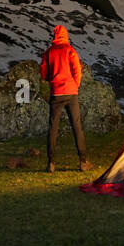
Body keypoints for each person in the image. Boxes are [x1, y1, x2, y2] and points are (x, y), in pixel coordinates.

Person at [39, 24, 91, 173]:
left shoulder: (49, 52)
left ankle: (51, 163)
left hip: (56, 93)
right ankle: (83, 161)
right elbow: (77, 70)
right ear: (66, 35)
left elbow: (43, 73)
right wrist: (75, 85)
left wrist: (52, 80)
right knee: (77, 126)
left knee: (52, 127)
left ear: (54, 36)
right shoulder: (70, 50)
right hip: (71, 92)